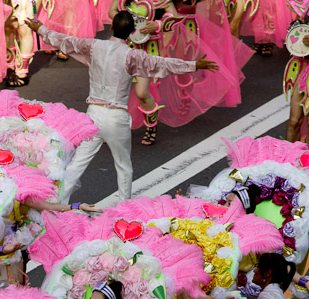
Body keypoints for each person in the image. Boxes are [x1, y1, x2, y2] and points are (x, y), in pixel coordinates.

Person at [25, 12, 218, 202]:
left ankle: (58, 205)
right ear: (133, 33)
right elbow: (163, 64)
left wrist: (40, 29)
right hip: (116, 117)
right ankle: (123, 208)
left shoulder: (94, 46)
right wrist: (194, 65)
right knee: (123, 166)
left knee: (77, 164)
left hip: (93, 115)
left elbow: (65, 41)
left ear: (111, 27)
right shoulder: (134, 55)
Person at [285, 21, 309, 143]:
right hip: (302, 69)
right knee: (294, 122)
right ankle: (289, 159)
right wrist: (296, 30)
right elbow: (298, 25)